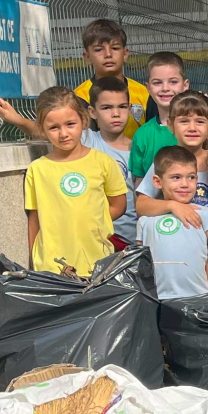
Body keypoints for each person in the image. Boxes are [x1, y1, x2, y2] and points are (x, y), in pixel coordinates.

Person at [22, 87, 128, 277]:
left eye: (70, 124)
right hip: (51, 266)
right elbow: (34, 219)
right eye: (54, 128)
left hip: (96, 261)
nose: (63, 134)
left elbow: (119, 205)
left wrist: (90, 220)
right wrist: (32, 264)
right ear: (42, 128)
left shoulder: (103, 162)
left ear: (83, 120)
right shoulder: (37, 170)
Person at [0, 18, 148, 138]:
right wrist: (19, 121)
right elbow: (61, 134)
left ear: (125, 53)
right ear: (87, 56)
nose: (108, 54)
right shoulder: (80, 97)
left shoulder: (143, 93)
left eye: (115, 48)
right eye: (99, 50)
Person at [140, 147, 208, 298]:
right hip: (156, 300)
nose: (185, 184)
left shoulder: (205, 214)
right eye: (176, 177)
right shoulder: (145, 220)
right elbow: (140, 263)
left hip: (199, 298)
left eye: (191, 177)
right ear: (157, 182)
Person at [136, 93, 208, 223]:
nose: (192, 128)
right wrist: (172, 206)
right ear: (170, 125)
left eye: (200, 121)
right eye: (184, 121)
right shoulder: (166, 161)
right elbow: (141, 205)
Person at [81, 75, 138, 248]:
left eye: (122, 107)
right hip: (91, 235)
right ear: (92, 112)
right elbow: (50, 129)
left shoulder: (137, 149)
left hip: (129, 240)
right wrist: (19, 120)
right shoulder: (86, 140)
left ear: (129, 109)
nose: (115, 114)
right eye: (106, 107)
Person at [125, 52, 197, 179]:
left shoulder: (197, 128)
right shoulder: (143, 135)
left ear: (185, 85)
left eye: (173, 82)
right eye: (157, 82)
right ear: (148, 88)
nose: (165, 88)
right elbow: (139, 181)